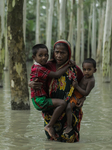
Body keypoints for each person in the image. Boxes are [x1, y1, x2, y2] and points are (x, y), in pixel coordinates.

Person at [29, 39, 85, 142]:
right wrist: (30, 83)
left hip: (70, 109)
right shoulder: (47, 66)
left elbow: (84, 83)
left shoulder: (75, 69)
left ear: (68, 54)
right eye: (56, 52)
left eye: (62, 53)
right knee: (52, 140)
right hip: (52, 110)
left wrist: (82, 98)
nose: (59, 55)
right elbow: (35, 75)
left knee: (71, 140)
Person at [64, 58, 97, 134]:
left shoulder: (91, 80)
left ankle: (69, 126)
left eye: (89, 69)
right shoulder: (85, 76)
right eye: (84, 69)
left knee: (69, 107)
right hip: (74, 93)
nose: (86, 72)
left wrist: (77, 86)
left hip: (78, 96)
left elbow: (86, 93)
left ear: (94, 70)